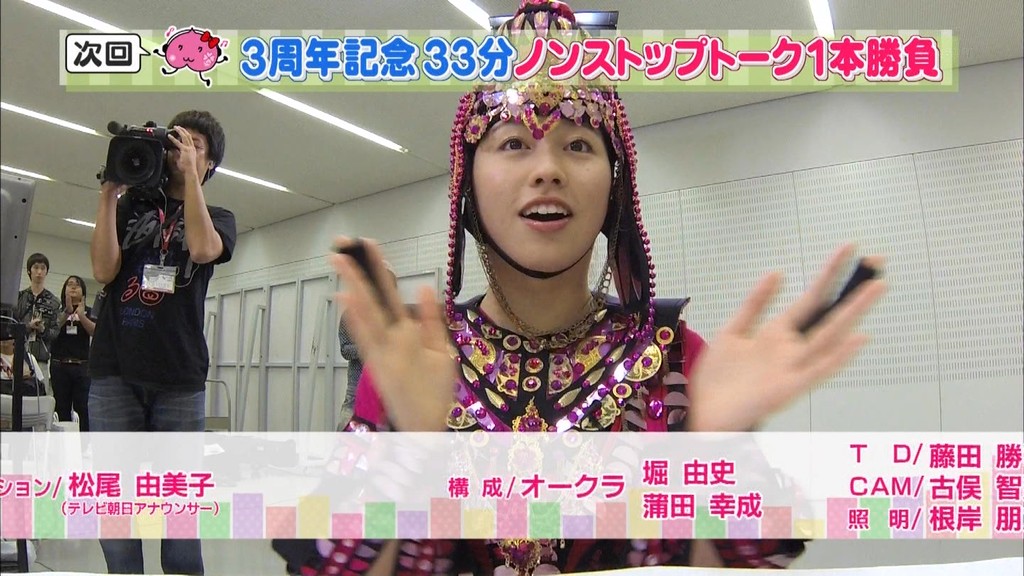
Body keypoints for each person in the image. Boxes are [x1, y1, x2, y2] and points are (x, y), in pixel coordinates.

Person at [276, 1, 886, 573]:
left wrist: (713, 449)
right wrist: (403, 448)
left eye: (577, 144)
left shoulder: (673, 361)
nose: (548, 169)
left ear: (614, 189)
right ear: (468, 185)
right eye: (513, 143)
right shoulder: (415, 361)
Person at [89, 109, 236, 575]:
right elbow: (103, 270)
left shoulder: (219, 217)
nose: (180, 151)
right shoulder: (132, 206)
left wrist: (190, 179)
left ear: (210, 164)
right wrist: (109, 196)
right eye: (176, 141)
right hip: (115, 370)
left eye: (194, 145)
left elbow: (202, 249)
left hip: (178, 377)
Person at [337, 264, 398, 429]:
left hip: (389, 390)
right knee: (347, 431)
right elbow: (345, 350)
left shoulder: (395, 317)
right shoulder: (351, 314)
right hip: (357, 388)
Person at [49, 275, 96, 430]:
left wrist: (81, 315)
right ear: (64, 290)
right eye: (69, 284)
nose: (73, 287)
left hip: (82, 366)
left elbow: (95, 332)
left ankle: (84, 443)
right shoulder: (57, 310)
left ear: (83, 291)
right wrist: (67, 312)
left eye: (77, 285)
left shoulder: (90, 311)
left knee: (83, 408)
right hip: (59, 365)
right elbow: (50, 330)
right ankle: (62, 441)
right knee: (61, 408)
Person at [14, 252, 61, 391]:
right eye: (36, 267)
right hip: (19, 356)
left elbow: (55, 332)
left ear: (46, 272)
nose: (39, 272)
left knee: (41, 394)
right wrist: (28, 327)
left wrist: (42, 330)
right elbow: (11, 327)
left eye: (43, 268)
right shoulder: (19, 298)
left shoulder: (54, 302)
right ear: (29, 271)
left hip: (41, 358)